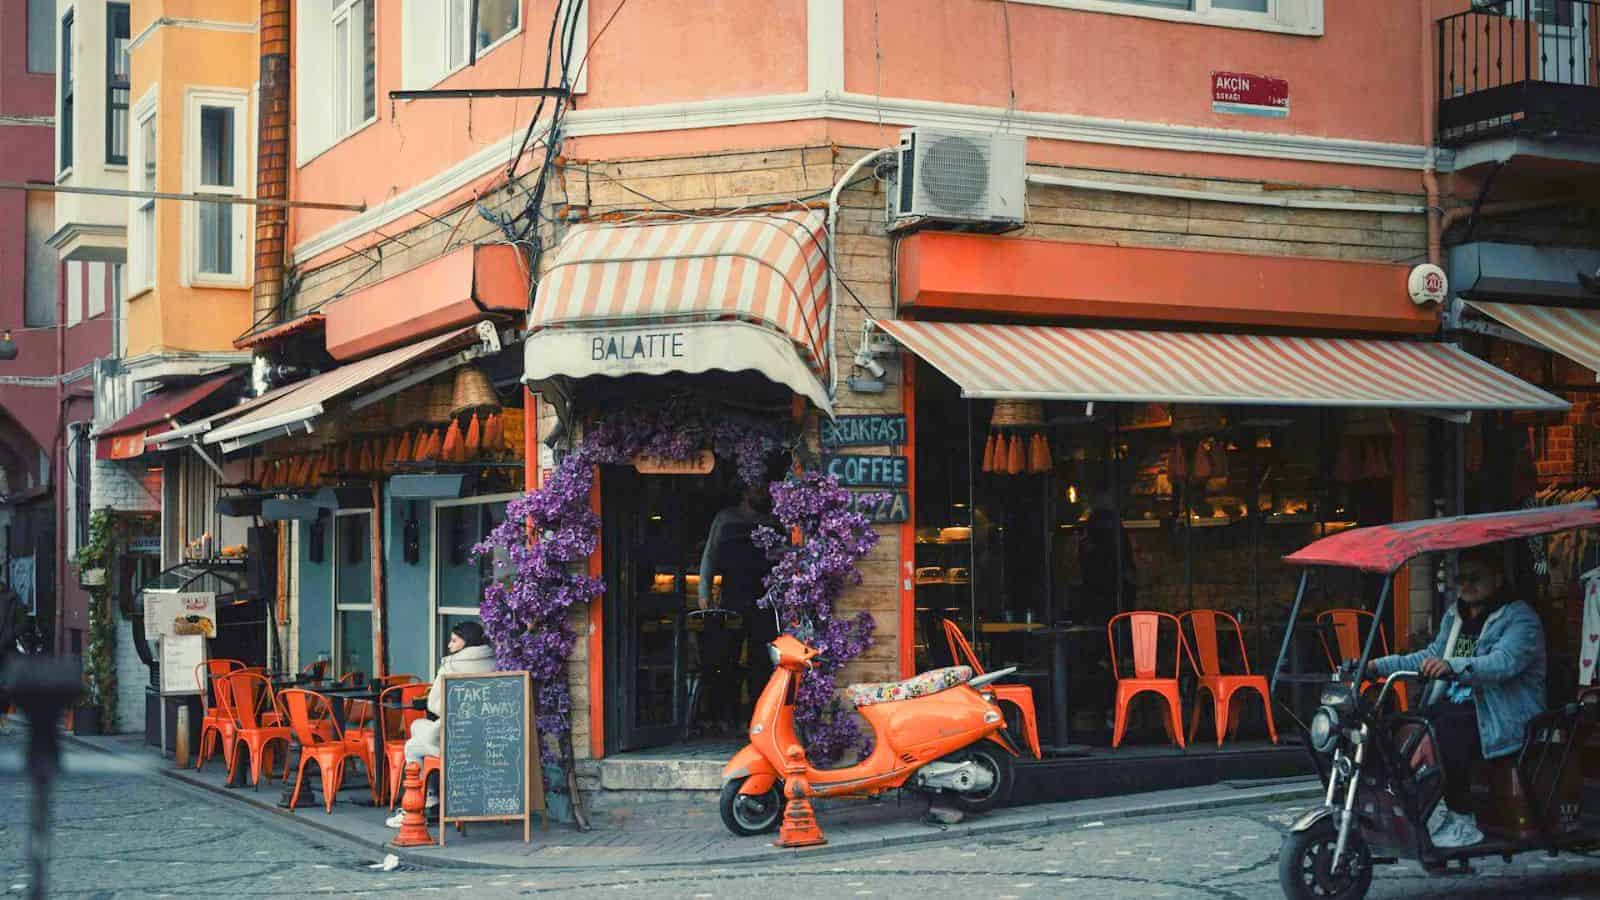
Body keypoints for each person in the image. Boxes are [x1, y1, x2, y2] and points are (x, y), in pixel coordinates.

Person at [1366, 546, 1546, 849]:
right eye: (1460, 578)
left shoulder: (1520, 619)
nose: (1466, 585)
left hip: (1503, 714)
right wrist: (1376, 666)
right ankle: (1392, 807)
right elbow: (1432, 656)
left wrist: (1453, 666)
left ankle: (1462, 819)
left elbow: (1503, 663)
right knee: (1391, 725)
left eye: (1475, 577)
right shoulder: (1456, 616)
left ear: (1498, 578)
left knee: (1446, 730)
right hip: (1456, 707)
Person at [385, 621, 496, 827]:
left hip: (458, 741)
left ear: (467, 642)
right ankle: (432, 799)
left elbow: (435, 704)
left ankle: (419, 805)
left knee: (413, 742)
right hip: (494, 742)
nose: (449, 645)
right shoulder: (495, 664)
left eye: (454, 640)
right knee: (419, 729)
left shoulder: (451, 666)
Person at [698, 476, 781, 730]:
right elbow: (709, 556)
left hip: (765, 601)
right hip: (732, 598)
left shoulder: (773, 521)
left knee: (762, 661)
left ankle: (757, 718)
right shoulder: (726, 519)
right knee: (725, 658)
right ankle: (724, 717)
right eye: (758, 487)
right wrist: (704, 593)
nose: (763, 492)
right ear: (745, 491)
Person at [0, 581, 20, 732]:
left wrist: (11, 635)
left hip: (7, 647)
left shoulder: (11, 596)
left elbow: (22, 620)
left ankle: (3, 719)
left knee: (7, 685)